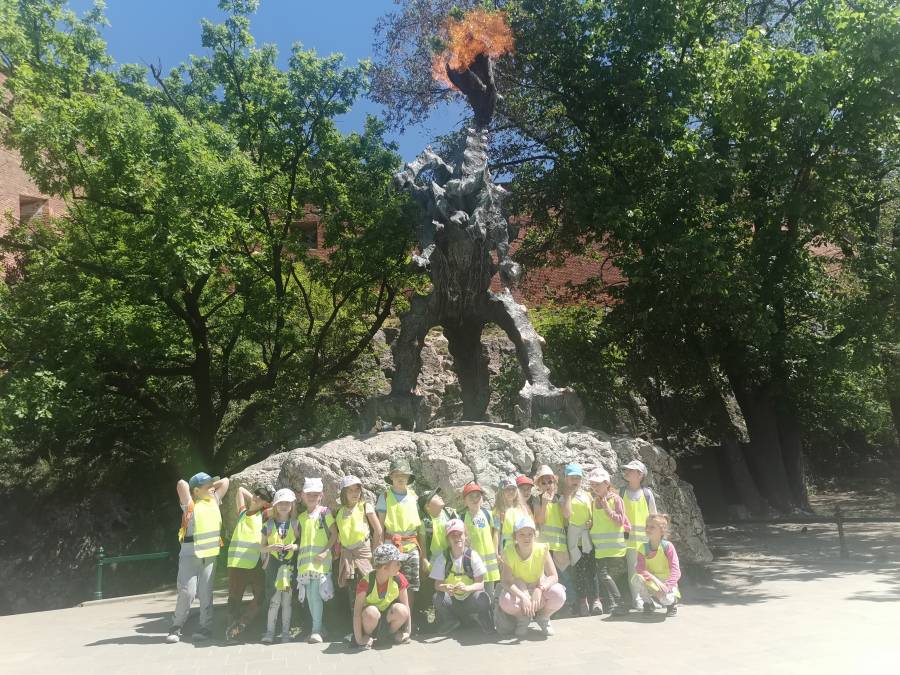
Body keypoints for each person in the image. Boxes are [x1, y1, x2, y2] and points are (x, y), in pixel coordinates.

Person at [166, 472, 229, 644]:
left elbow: (225, 481)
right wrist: (196, 489)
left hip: (209, 555)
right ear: (196, 490)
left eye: (212, 486)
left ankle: (205, 628)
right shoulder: (190, 504)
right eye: (208, 486)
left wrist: (210, 486)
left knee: (205, 593)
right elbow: (181, 483)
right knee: (187, 592)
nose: (212, 488)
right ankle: (176, 626)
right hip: (190, 555)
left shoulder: (214, 500)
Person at [497, 516, 566, 639]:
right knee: (506, 600)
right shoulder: (509, 552)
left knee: (559, 594)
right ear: (515, 536)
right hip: (520, 589)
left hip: (538, 588)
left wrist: (540, 589)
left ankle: (543, 617)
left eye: (530, 534)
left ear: (535, 535)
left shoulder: (542, 549)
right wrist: (523, 596)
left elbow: (553, 576)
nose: (526, 538)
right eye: (522, 534)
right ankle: (522, 618)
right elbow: (505, 581)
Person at [376, 458, 424, 625]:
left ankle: (407, 622)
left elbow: (420, 527)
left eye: (404, 475)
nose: (400, 478)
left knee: (410, 586)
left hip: (410, 545)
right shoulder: (384, 497)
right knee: (389, 582)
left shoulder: (414, 497)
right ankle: (389, 621)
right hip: (391, 545)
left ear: (409, 477)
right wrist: (379, 547)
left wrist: (423, 553)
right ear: (391, 477)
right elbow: (380, 526)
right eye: (397, 475)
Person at [429, 518, 493, 634]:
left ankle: (483, 618)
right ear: (448, 539)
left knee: (483, 597)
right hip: (452, 600)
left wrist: (467, 588)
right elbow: (437, 584)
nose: (457, 538)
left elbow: (480, 584)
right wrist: (445, 587)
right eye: (453, 535)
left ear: (465, 536)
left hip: (470, 599)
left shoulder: (472, 556)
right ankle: (450, 621)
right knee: (437, 598)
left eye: (460, 534)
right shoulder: (443, 558)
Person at [225, 484, 272, 642]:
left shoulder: (264, 514)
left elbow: (280, 508)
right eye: (256, 493)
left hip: (255, 564)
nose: (257, 497)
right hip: (236, 564)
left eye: (262, 497)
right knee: (234, 599)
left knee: (260, 596)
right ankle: (231, 630)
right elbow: (239, 490)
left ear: (266, 503)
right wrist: (257, 498)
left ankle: (241, 624)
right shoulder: (242, 513)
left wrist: (266, 503)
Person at [296, 477, 337, 643]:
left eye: (315, 494)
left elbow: (334, 534)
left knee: (315, 595)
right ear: (302, 496)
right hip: (305, 564)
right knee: (309, 597)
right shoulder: (301, 517)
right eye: (308, 494)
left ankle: (316, 630)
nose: (312, 497)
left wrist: (325, 552)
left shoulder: (324, 512)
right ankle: (320, 628)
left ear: (321, 495)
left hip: (320, 562)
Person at [336, 475, 381, 613]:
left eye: (357, 489)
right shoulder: (340, 512)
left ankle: (371, 621)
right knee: (353, 591)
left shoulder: (365, 506)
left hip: (364, 553)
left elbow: (378, 531)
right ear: (343, 493)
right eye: (350, 490)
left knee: (368, 587)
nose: (354, 493)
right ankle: (356, 623)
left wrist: (375, 554)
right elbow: (340, 536)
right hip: (347, 556)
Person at [352, 543, 412, 648]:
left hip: (388, 617)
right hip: (370, 620)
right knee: (371, 612)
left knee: (402, 610)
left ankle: (390, 635)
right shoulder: (366, 583)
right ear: (384, 568)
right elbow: (357, 613)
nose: (400, 565)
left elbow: (407, 608)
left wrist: (407, 632)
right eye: (397, 563)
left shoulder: (399, 579)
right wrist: (359, 639)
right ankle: (369, 637)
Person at [588, 467, 630, 615]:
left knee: (609, 576)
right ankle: (616, 605)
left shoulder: (616, 499)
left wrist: (607, 509)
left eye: (598, 484)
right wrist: (591, 524)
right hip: (600, 548)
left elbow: (620, 521)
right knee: (605, 576)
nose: (595, 487)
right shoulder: (594, 501)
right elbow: (600, 522)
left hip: (615, 548)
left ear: (607, 483)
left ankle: (620, 603)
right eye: (593, 484)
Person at [261, 488, 300, 644]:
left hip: (289, 568)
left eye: (287, 503)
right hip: (273, 568)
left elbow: (301, 544)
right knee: (274, 601)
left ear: (292, 505)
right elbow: (261, 547)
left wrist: (294, 547)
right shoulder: (268, 525)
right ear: (275, 505)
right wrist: (270, 548)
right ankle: (270, 632)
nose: (284, 506)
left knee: (287, 602)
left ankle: (285, 633)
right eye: (280, 503)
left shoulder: (296, 523)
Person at [417, 487, 457, 631]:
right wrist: (424, 560)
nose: (439, 496)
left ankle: (455, 617)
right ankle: (442, 619)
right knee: (437, 590)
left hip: (452, 559)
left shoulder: (450, 514)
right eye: (434, 496)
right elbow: (422, 543)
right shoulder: (425, 522)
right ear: (427, 506)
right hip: (435, 562)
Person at [561, 462, 599, 616]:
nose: (575, 481)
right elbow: (566, 515)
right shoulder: (563, 497)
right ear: (566, 479)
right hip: (574, 541)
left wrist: (592, 522)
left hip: (587, 538)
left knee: (592, 571)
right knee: (579, 573)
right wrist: (568, 495)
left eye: (578, 477)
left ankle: (596, 600)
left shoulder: (587, 495)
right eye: (572, 478)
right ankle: (583, 602)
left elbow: (593, 514)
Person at [620, 459, 658, 610]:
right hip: (628, 540)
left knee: (647, 569)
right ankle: (637, 599)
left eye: (631, 470)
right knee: (633, 569)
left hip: (645, 540)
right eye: (626, 470)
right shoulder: (621, 492)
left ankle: (649, 599)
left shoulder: (647, 494)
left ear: (640, 474)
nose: (627, 472)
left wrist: (656, 538)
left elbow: (654, 517)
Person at [533, 465, 571, 603]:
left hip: (559, 544)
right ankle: (548, 603)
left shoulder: (560, 498)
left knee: (564, 574)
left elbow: (567, 516)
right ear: (539, 485)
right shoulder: (537, 499)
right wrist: (544, 504)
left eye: (550, 481)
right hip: (544, 544)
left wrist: (566, 497)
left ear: (555, 482)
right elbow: (540, 520)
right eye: (543, 483)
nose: (547, 485)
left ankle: (569, 604)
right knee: (546, 576)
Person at [635, 514, 681, 617]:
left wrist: (667, 587)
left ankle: (672, 603)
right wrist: (654, 581)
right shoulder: (643, 548)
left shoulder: (668, 547)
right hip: (652, 581)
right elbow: (640, 569)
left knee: (666, 600)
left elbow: (676, 570)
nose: (647, 529)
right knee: (636, 579)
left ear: (662, 531)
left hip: (666, 582)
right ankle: (648, 604)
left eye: (652, 527)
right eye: (647, 526)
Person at [461, 482, 500, 593]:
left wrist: (496, 552)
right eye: (471, 497)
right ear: (465, 501)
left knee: (489, 592)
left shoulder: (490, 514)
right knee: (476, 592)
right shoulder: (462, 517)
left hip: (490, 563)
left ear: (482, 498)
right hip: (473, 562)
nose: (475, 499)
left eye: (478, 496)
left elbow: (496, 532)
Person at [494, 475, 528, 552]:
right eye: (507, 489)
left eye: (513, 489)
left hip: (522, 547)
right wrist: (496, 552)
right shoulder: (498, 511)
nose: (511, 491)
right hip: (506, 548)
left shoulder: (522, 508)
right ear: (501, 492)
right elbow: (496, 533)